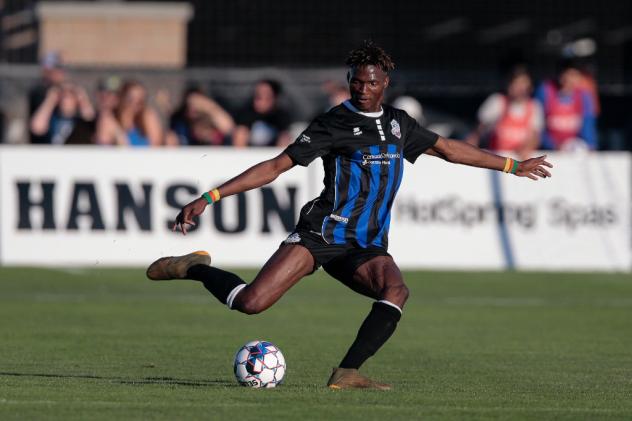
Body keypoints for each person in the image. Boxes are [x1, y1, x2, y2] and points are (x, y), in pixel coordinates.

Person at [146, 42, 552, 390]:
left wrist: (512, 166)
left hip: (366, 243)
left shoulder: (398, 125)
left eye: (371, 82)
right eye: (356, 81)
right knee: (252, 303)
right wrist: (210, 196)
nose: (362, 89)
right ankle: (195, 268)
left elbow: (449, 149)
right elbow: (275, 166)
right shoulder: (333, 123)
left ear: (385, 84)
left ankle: (347, 371)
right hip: (322, 234)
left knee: (396, 291)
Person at [467, 67, 544, 160]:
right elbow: (478, 132)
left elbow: (535, 136)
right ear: (509, 85)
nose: (520, 88)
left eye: (523, 84)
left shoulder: (534, 106)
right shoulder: (497, 101)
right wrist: (468, 150)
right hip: (495, 159)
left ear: (530, 87)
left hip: (519, 160)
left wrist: (526, 148)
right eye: (516, 83)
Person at [535, 59, 597, 151]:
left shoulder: (584, 96)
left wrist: (590, 147)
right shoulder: (545, 91)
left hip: (574, 150)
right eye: (567, 74)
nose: (569, 80)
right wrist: (553, 145)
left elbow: (588, 128)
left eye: (575, 76)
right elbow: (537, 127)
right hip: (548, 150)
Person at [95, 80, 164, 147]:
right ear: (121, 98)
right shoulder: (109, 120)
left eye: (141, 100)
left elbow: (156, 146)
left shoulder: (147, 117)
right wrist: (118, 134)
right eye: (131, 99)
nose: (135, 103)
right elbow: (103, 148)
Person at [29, 81, 95, 145]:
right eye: (63, 95)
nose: (65, 100)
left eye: (70, 96)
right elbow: (37, 128)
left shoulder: (80, 120)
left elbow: (90, 118)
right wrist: (50, 100)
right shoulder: (51, 117)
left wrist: (82, 98)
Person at [232, 79, 292, 148]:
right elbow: (239, 141)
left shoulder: (281, 116)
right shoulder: (245, 113)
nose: (261, 101)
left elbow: (284, 142)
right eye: (258, 96)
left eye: (267, 97)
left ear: (275, 98)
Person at [169, 87, 235, 146]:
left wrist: (206, 105)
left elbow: (229, 128)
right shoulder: (181, 123)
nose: (193, 108)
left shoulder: (212, 117)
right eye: (189, 105)